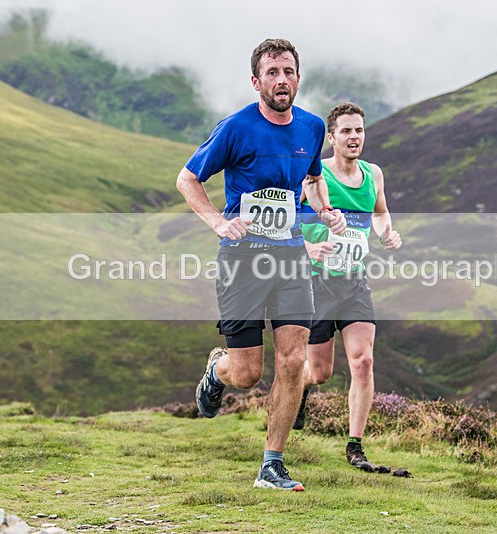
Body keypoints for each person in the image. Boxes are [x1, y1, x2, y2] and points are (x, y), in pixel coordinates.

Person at [176, 38, 346, 492]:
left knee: (293, 360)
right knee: (247, 372)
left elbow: (311, 179)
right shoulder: (235, 128)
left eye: (288, 71)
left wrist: (324, 209)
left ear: (297, 76)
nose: (281, 79)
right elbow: (187, 178)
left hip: (290, 256)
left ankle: (272, 464)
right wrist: (217, 222)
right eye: (271, 72)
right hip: (242, 261)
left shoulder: (311, 128)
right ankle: (218, 370)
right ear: (256, 81)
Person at [294, 102, 401, 472]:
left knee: (364, 360)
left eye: (359, 130)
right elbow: (288, 219)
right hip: (316, 285)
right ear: (331, 137)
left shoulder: (374, 174)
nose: (354, 137)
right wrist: (310, 246)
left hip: (355, 284)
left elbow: (379, 212)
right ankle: (303, 385)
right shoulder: (315, 173)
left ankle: (355, 446)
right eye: (346, 131)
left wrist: (387, 233)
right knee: (320, 372)